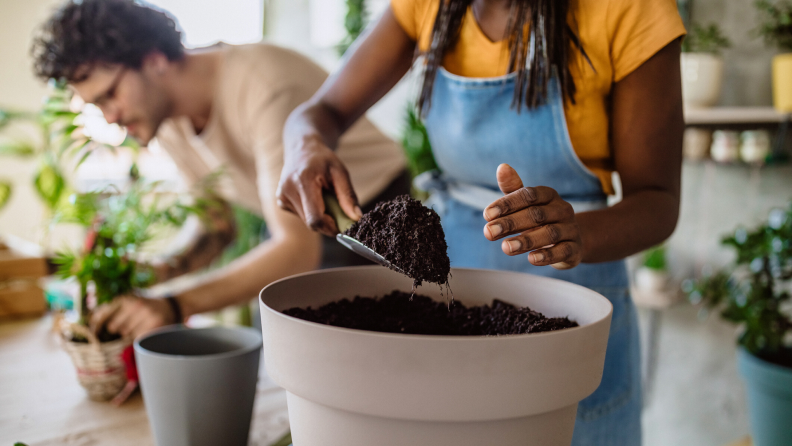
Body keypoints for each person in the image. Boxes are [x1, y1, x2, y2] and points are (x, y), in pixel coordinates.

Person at [277, 0, 686, 443]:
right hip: (454, 287)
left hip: (576, 292)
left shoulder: (629, 9)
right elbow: (321, 113)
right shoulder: (429, 6)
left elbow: (658, 201)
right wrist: (304, 146)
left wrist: (578, 234)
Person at [31, 0, 408, 338]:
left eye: (110, 95)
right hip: (302, 224)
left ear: (154, 59)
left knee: (330, 353)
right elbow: (216, 224)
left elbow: (296, 251)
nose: (110, 117)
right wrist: (154, 271)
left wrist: (175, 305)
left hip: (372, 217)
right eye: (96, 105)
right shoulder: (166, 117)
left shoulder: (263, 86)